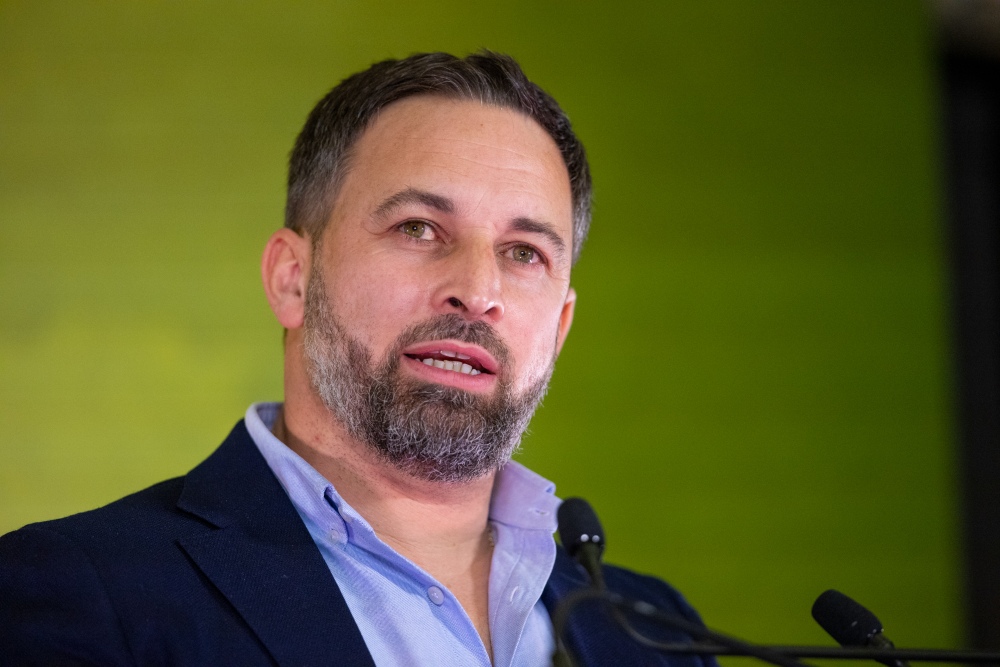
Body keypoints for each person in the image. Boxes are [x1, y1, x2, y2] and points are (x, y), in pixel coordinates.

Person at [0, 51, 716, 667]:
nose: (477, 291)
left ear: (558, 328)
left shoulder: (656, 635)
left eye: (524, 252)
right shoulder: (79, 589)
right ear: (292, 279)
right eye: (419, 228)